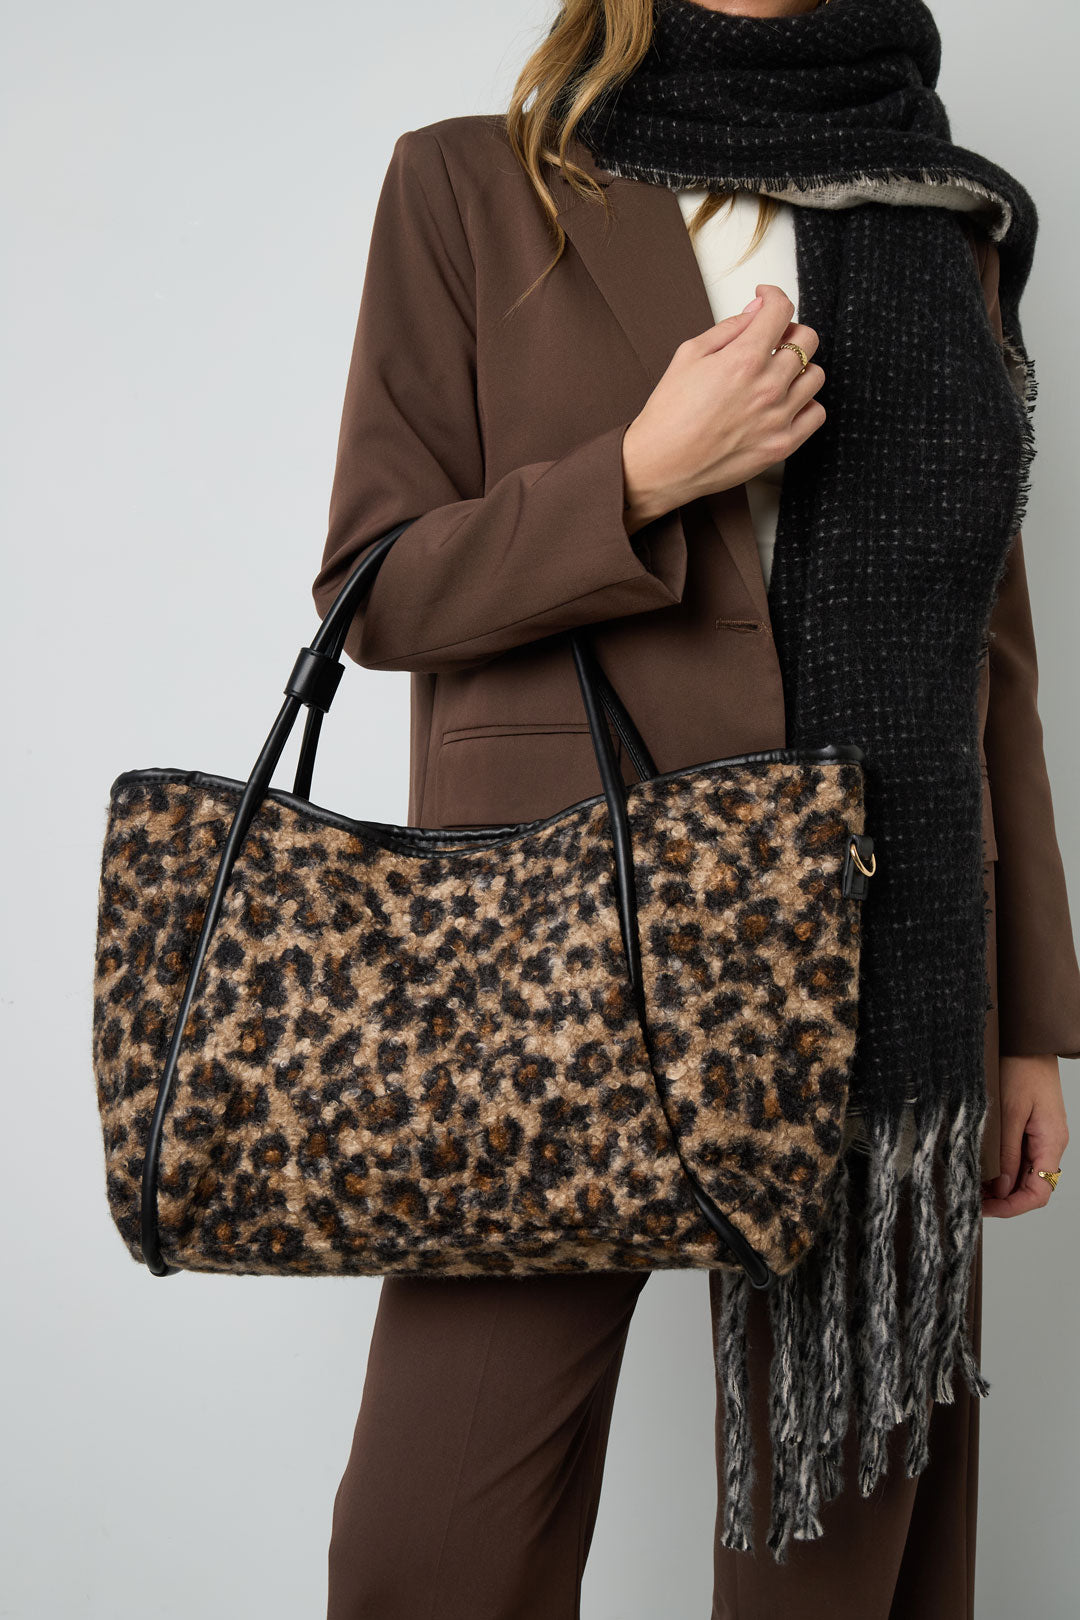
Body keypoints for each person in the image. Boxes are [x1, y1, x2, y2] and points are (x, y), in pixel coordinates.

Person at [310, 2, 1079, 1614]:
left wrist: (1025, 1023)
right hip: (556, 951)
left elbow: (985, 649)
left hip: (884, 960)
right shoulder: (476, 184)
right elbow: (377, 591)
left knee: (834, 1570)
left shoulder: (946, 226)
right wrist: (641, 474)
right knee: (428, 1543)